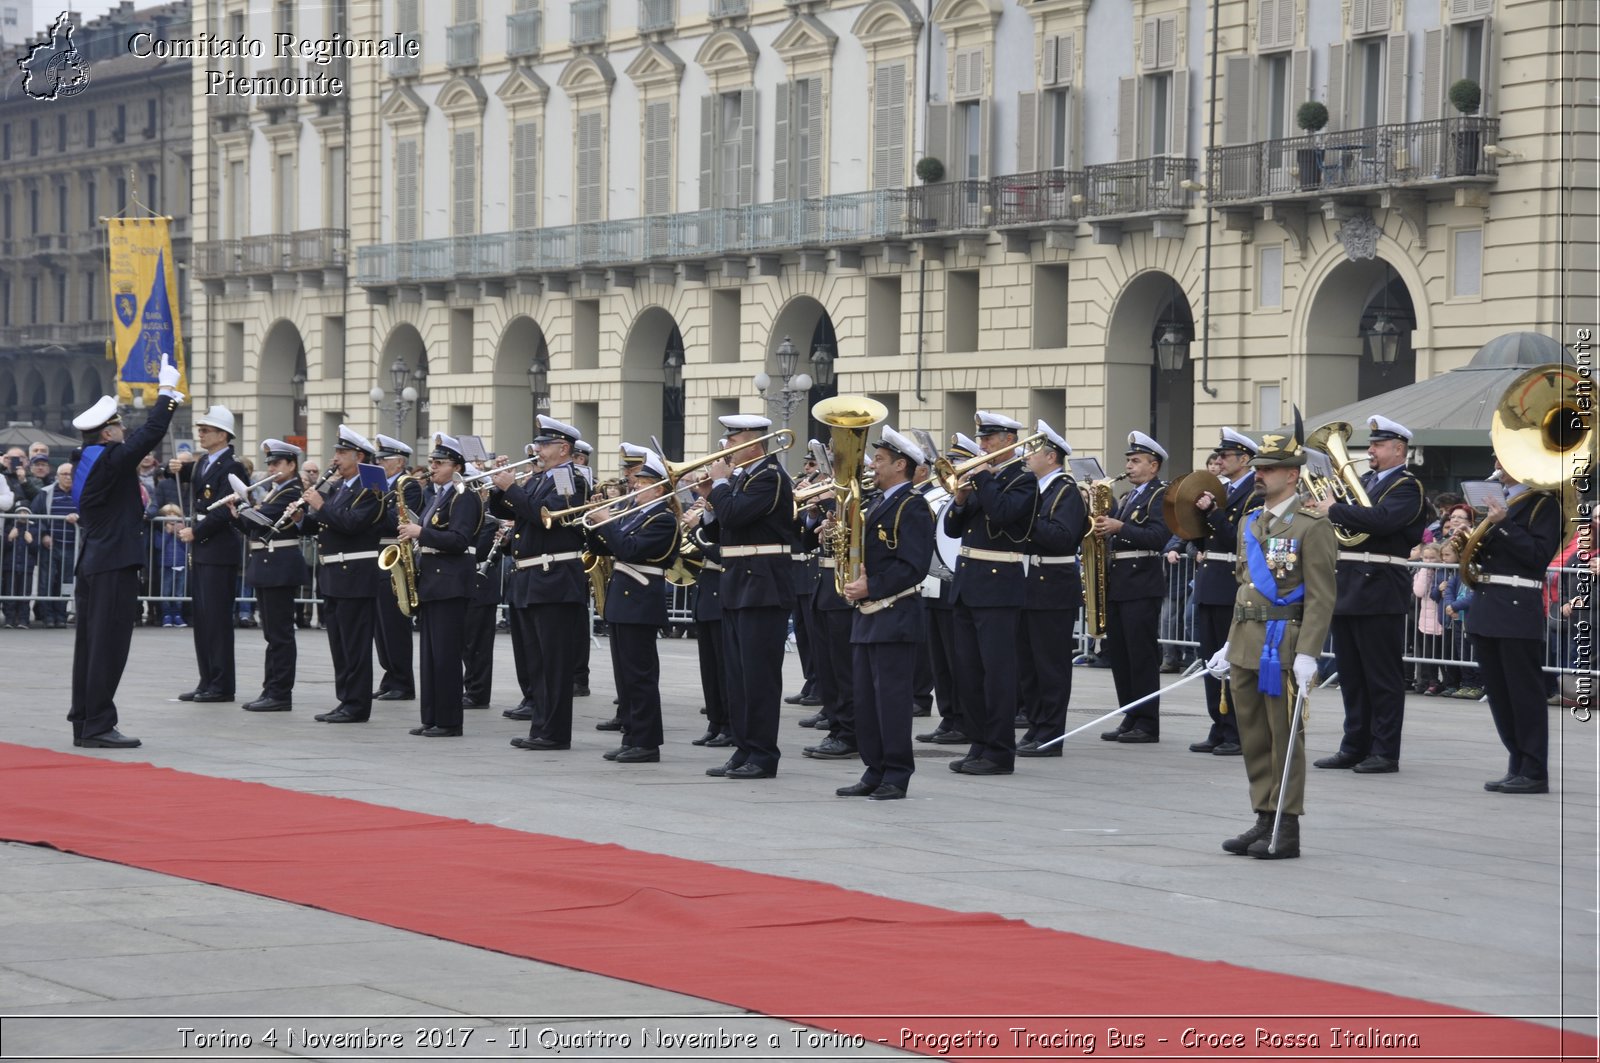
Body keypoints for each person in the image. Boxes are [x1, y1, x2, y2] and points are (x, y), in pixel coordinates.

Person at [1208, 419, 1337, 860]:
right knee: (1255, 736)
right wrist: (1228, 643)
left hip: (1284, 645)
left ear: (1293, 475)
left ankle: (1286, 826)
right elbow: (1245, 587)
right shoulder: (1251, 522)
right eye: (1259, 466)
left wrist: (1308, 654)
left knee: (1284, 737)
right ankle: (1263, 816)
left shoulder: (1311, 527)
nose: (1259, 473)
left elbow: (1321, 596)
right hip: (1246, 642)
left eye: (1270, 467)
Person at [68, 355, 183, 748]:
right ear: (107, 434)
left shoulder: (86, 459)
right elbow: (149, 434)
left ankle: (84, 719)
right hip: (113, 563)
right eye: (118, 426)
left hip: (95, 563)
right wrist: (167, 394)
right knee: (108, 646)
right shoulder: (111, 460)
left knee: (89, 645)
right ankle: (98, 723)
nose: (123, 431)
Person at [1305, 415, 1429, 774]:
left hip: (1379, 585)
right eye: (1371, 444)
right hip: (1349, 586)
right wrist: (1327, 508)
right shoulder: (1367, 481)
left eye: (1377, 445)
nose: (1370, 450)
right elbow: (1350, 522)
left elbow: (1384, 521)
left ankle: (1385, 751)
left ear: (1398, 449)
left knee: (1381, 676)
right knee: (1353, 675)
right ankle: (1354, 745)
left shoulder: (1408, 486)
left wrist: (1336, 508)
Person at [693, 414, 796, 780]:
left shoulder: (769, 477)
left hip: (762, 586)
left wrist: (720, 486)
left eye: (732, 441)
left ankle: (764, 753)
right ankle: (743, 747)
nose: (726, 448)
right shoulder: (745, 479)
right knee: (736, 674)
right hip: (738, 583)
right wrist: (711, 497)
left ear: (753, 441)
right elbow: (727, 528)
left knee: (759, 676)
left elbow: (736, 514)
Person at [835, 426, 935, 800]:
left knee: (891, 700)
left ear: (900, 464)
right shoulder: (874, 502)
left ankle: (896, 772)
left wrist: (871, 586)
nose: (872, 465)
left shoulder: (913, 506)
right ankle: (873, 768)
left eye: (879, 460)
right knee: (865, 699)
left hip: (894, 613)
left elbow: (913, 566)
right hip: (867, 615)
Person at [942, 412, 1037, 776]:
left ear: (1010, 440)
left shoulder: (1022, 480)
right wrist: (962, 499)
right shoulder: (989, 479)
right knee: (968, 672)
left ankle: (999, 751)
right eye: (981, 439)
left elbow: (1001, 516)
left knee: (996, 674)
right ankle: (978, 742)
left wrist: (982, 480)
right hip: (969, 583)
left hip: (999, 585)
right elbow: (952, 529)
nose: (981, 446)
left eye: (989, 439)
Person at [1465, 460, 1564, 793]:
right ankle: (1517, 763)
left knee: (1524, 695)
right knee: (1500, 695)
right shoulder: (1500, 502)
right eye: (1494, 458)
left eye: (1504, 459)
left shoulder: (1544, 505)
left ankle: (1534, 770)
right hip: (1488, 605)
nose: (1496, 465)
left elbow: (1537, 555)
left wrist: (1504, 524)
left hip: (1517, 605)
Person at [490, 415, 588, 752]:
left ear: (563, 448)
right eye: (538, 443)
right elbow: (509, 509)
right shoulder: (538, 478)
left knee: (554, 662)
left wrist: (512, 489)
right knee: (537, 661)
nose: (537, 449)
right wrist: (497, 486)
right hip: (531, 578)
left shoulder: (568, 479)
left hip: (555, 578)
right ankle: (541, 725)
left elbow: (547, 517)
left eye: (544, 444)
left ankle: (555, 732)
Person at [586, 448, 678, 763]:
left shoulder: (663, 519)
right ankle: (632, 735)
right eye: (636, 481)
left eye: (642, 482)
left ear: (660, 488)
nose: (635, 486)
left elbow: (629, 548)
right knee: (625, 676)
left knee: (640, 675)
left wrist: (608, 522)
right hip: (624, 601)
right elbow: (607, 545)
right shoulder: (637, 513)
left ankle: (647, 742)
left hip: (640, 600)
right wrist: (595, 524)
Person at [394, 434, 482, 738]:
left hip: (451, 583)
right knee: (430, 657)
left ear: (456, 466)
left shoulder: (464, 495)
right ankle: (431, 717)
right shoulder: (437, 495)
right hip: (432, 581)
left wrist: (420, 532)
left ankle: (448, 721)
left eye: (439, 463)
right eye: (431, 462)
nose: (432, 467)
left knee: (445, 657)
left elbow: (459, 540)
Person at [298, 426, 387, 724]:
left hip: (355, 573)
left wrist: (320, 505)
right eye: (336, 452)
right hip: (334, 573)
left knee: (355, 644)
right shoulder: (338, 486)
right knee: (339, 643)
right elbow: (323, 525)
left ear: (359, 456)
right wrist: (302, 516)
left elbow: (352, 524)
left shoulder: (372, 488)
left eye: (341, 453)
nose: (335, 458)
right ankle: (344, 699)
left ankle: (357, 704)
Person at [1188, 428, 1263, 755]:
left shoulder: (1254, 493)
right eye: (1217, 456)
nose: (1218, 461)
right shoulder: (1219, 489)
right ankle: (1218, 725)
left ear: (1243, 459)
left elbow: (1241, 538)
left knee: (1235, 660)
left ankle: (1238, 730)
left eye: (1225, 456)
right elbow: (1204, 537)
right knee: (1211, 661)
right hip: (1210, 579)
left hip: (1232, 581)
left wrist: (1213, 513)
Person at [1016, 420, 1087, 756]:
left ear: (1051, 456)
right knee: (1028, 666)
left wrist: (1026, 518)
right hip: (1029, 585)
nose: (1027, 456)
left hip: (1053, 587)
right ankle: (1035, 725)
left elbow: (1062, 538)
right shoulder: (1038, 490)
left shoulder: (1066, 491)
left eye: (1033, 450)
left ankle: (1051, 733)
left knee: (1051, 666)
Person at [1097, 431, 1173, 744]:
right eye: (1129, 460)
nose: (1129, 466)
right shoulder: (1129, 497)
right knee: (1122, 655)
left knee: (1141, 656)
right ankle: (1130, 713)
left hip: (1142, 582)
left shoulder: (1160, 496)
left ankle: (1147, 721)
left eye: (1136, 461)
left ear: (1153, 466)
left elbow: (1158, 537)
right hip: (1120, 583)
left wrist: (1121, 528)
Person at [175, 405, 247, 703]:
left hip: (219, 549)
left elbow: (225, 508)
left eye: (206, 430)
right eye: (201, 429)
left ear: (222, 435)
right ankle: (207, 679)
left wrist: (197, 532)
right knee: (203, 619)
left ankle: (222, 684)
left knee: (217, 620)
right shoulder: (204, 461)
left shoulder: (233, 466)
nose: (201, 434)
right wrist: (178, 470)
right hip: (204, 552)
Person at [236, 440, 309, 712]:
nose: (271, 468)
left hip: (280, 565)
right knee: (272, 634)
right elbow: (251, 528)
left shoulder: (292, 490)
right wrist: (237, 513)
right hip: (268, 564)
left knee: (279, 634)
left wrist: (243, 508)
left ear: (291, 465)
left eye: (277, 464)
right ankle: (271, 688)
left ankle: (280, 693)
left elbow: (262, 518)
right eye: (269, 464)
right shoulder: (276, 489)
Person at [916, 433, 979, 747]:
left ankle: (964, 719)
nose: (949, 469)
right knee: (938, 659)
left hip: (953, 583)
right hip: (931, 583)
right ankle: (949, 716)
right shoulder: (938, 497)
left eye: (956, 463)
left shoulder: (963, 497)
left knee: (957, 659)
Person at [372, 435, 420, 702]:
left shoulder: (408, 486)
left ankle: (403, 681)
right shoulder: (379, 487)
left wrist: (375, 503)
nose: (379, 463)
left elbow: (397, 519)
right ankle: (389, 675)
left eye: (384, 459)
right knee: (380, 625)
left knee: (394, 623)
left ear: (399, 462)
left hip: (396, 552)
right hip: (378, 553)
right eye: (377, 459)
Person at [35, 462, 77, 628]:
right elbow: (36, 516)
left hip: (72, 546)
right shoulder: (46, 493)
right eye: (64, 474)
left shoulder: (80, 494)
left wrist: (78, 517)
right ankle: (47, 616)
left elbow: (89, 515)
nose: (67, 477)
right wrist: (44, 534)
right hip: (51, 545)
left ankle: (61, 614)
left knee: (66, 582)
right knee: (47, 581)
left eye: (70, 474)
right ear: (57, 476)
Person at [3, 507, 37, 628]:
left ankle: (24, 620)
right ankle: (9, 619)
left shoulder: (33, 529)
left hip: (26, 567)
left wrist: (31, 541)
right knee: (10, 593)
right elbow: (3, 548)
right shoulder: (9, 528)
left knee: (25, 594)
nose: (22, 514)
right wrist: (9, 538)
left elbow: (37, 550)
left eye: (25, 512)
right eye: (20, 512)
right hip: (10, 566)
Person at [156, 503, 187, 627]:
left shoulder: (181, 531)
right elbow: (158, 546)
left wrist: (179, 535)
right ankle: (166, 615)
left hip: (180, 564)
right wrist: (168, 533)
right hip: (166, 565)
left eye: (175, 515)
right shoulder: (160, 531)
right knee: (166, 591)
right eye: (168, 515)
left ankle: (177, 614)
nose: (172, 518)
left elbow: (186, 547)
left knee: (179, 592)